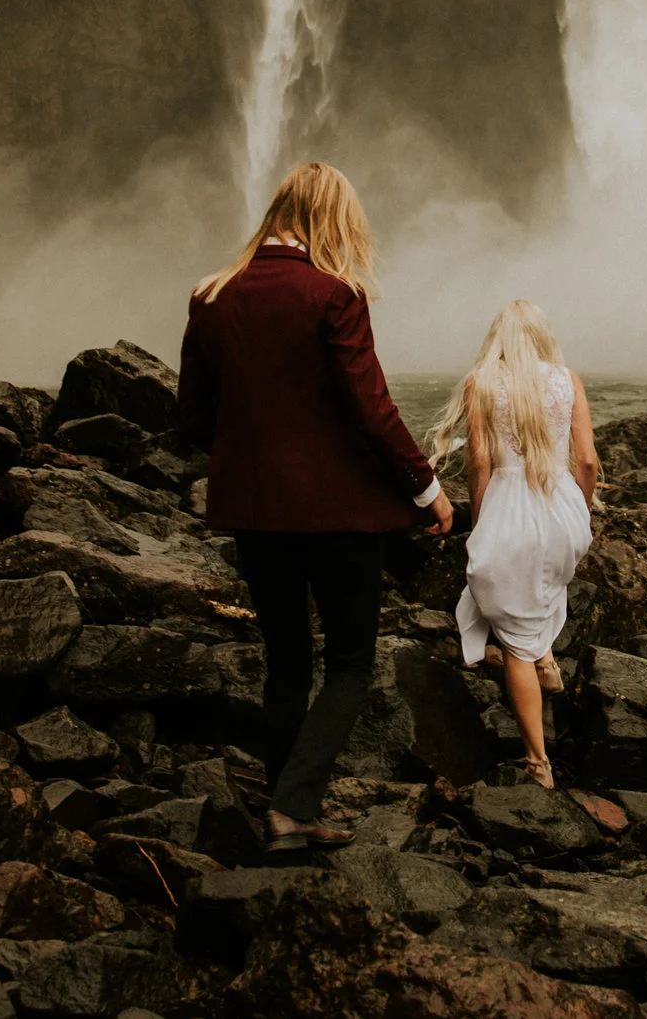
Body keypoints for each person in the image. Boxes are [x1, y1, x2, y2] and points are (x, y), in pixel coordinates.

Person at [175, 161, 451, 852]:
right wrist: (427, 487)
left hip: (255, 513)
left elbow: (193, 420)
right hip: (337, 518)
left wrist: (253, 458)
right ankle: (293, 804)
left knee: (287, 664)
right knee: (351, 661)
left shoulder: (210, 297)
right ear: (332, 218)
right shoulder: (335, 295)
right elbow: (372, 410)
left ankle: (288, 814)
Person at [426, 299, 598, 789]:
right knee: (545, 573)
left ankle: (538, 762)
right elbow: (585, 460)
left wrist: (481, 517)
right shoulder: (569, 380)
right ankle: (546, 661)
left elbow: (479, 462)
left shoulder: (481, 382)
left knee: (513, 633)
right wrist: (579, 510)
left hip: (509, 502)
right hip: (561, 501)